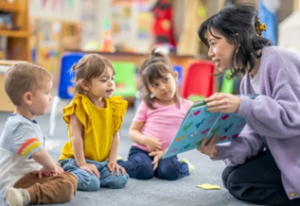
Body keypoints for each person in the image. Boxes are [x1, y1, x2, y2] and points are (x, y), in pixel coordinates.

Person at [197, 4, 300, 206]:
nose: (210, 52)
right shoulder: (247, 80)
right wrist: (220, 151)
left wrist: (244, 105)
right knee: (230, 176)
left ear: (236, 40)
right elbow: (254, 136)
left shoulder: (278, 60)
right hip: (281, 150)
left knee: (238, 181)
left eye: (213, 43)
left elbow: (294, 118)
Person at [0, 63, 77, 206]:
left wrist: (47, 168)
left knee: (71, 178)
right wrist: (51, 166)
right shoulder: (19, 125)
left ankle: (29, 192)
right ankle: (25, 195)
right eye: (47, 93)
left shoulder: (24, 122)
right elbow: (38, 153)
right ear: (28, 98)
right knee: (65, 186)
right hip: (16, 182)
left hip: (27, 176)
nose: (50, 98)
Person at [118, 50, 194, 180]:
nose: (163, 87)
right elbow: (133, 131)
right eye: (155, 85)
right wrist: (145, 140)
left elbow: (187, 137)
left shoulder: (187, 106)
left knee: (169, 172)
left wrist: (166, 152)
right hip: (142, 150)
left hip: (168, 152)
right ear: (149, 89)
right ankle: (120, 163)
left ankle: (184, 165)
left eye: (166, 79)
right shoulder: (147, 104)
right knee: (144, 171)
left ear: (175, 76)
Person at [58, 54, 129, 191]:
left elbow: (115, 135)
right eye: (104, 80)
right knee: (91, 183)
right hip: (76, 160)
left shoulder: (114, 106)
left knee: (120, 178)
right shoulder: (79, 106)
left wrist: (112, 162)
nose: (111, 83)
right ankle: (66, 174)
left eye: (112, 79)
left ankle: (93, 175)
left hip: (101, 163)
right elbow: (76, 137)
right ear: (85, 84)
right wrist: (82, 163)